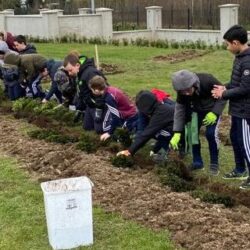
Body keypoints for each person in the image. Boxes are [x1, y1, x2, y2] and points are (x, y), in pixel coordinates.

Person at [212, 25, 250, 188]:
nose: (227, 47)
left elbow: (246, 88)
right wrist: (225, 87)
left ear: (235, 43)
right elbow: (237, 83)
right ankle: (240, 169)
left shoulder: (248, 61)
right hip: (237, 108)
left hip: (245, 109)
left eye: (228, 44)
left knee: (245, 142)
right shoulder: (240, 57)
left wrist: (224, 94)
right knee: (235, 138)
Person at [170, 70, 227, 176]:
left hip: (212, 110)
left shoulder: (207, 80)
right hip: (196, 110)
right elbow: (179, 111)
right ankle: (197, 162)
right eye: (183, 92)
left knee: (210, 134)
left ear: (193, 84)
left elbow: (224, 94)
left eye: (188, 90)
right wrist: (177, 132)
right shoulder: (181, 92)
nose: (186, 93)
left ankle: (214, 163)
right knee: (193, 134)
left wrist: (215, 112)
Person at [117, 90, 174, 160]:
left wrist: (130, 151)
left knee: (160, 133)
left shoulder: (161, 112)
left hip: (179, 132)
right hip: (169, 129)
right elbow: (142, 129)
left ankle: (167, 151)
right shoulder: (154, 108)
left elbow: (147, 133)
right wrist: (135, 144)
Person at [63, 52, 107, 127]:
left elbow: (101, 92)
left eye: (70, 70)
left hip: (99, 105)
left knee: (99, 129)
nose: (69, 73)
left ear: (77, 65)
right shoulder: (79, 74)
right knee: (87, 127)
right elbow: (82, 92)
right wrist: (79, 109)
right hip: (90, 105)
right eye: (67, 71)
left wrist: (99, 110)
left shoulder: (90, 73)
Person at [88, 75, 137, 141]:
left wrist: (109, 133)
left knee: (105, 129)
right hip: (129, 111)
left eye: (92, 90)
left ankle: (129, 128)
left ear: (96, 90)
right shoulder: (110, 89)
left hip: (129, 116)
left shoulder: (109, 98)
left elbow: (115, 117)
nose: (92, 92)